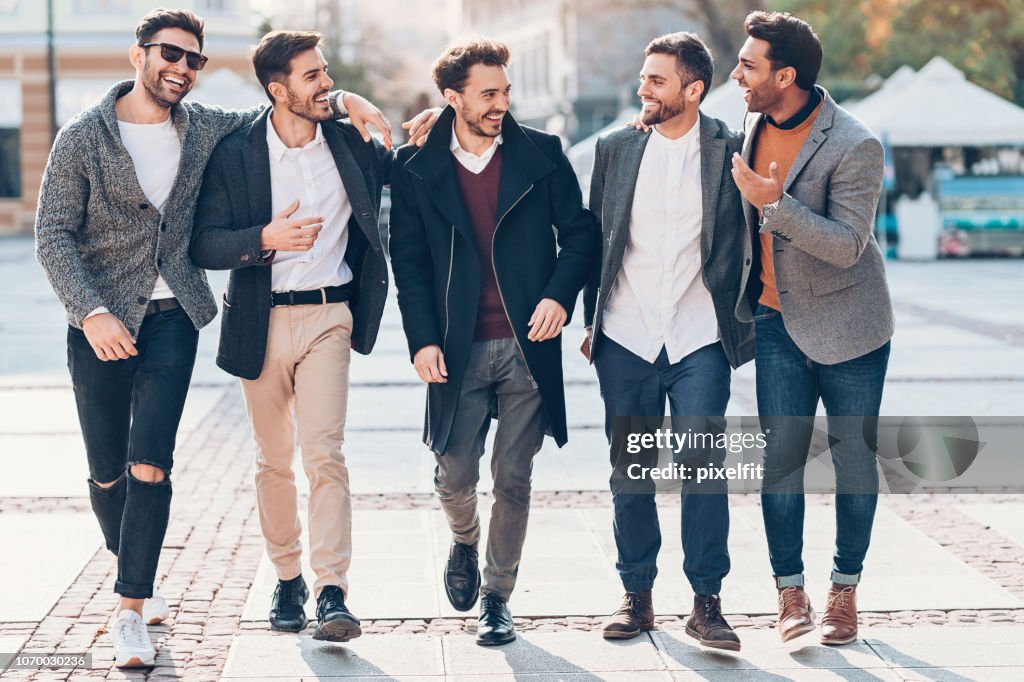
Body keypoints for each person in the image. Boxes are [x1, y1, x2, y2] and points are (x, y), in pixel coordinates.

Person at [34, 8, 420, 667]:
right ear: (139, 55)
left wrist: (345, 97)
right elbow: (52, 234)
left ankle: (135, 609)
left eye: (194, 60)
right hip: (104, 321)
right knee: (108, 474)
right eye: (170, 55)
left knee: (155, 463)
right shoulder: (83, 138)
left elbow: (280, 118)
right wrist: (90, 308)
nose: (181, 68)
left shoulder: (207, 128)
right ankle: (140, 566)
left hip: (179, 319)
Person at [190, 29, 441, 643]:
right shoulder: (237, 153)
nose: (326, 82)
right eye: (314, 76)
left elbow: (409, 168)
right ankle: (286, 578)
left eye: (327, 72)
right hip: (260, 318)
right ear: (279, 90)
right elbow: (203, 242)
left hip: (331, 315)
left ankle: (332, 590)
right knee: (273, 461)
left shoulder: (348, 141)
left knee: (325, 454)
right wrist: (264, 240)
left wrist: (440, 119)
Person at [388, 38, 600, 646]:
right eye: (487, 93)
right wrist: (422, 340)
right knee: (454, 475)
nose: (501, 103)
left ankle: (497, 596)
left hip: (527, 347)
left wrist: (560, 296)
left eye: (505, 91)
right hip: (454, 348)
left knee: (513, 476)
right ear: (452, 98)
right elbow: (410, 263)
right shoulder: (415, 168)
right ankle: (463, 541)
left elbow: (581, 236)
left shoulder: (542, 154)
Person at [581, 32, 754, 651]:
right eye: (644, 77)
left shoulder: (730, 151)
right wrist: (590, 321)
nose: (643, 88)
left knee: (703, 470)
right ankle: (638, 596)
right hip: (625, 334)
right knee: (631, 472)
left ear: (693, 89)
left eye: (657, 79)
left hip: (699, 336)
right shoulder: (614, 149)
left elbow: (747, 243)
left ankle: (707, 603)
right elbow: (596, 238)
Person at [729, 10, 893, 646]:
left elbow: (849, 244)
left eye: (748, 65)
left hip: (852, 329)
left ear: (785, 75)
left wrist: (774, 205)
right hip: (776, 321)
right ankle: (789, 592)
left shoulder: (856, 144)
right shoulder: (747, 125)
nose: (738, 74)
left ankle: (844, 590)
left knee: (853, 465)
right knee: (782, 465)